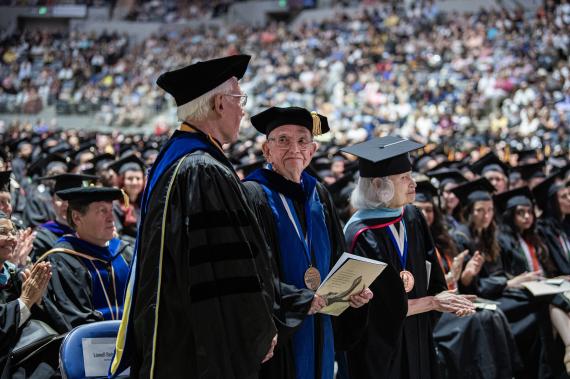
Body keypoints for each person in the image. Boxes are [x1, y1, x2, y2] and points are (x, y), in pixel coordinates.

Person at [109, 55, 277, 379]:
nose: (244, 109)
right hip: (198, 349)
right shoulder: (204, 170)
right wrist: (255, 330)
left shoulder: (179, 160)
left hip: (176, 334)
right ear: (218, 104)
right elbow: (225, 271)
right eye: (239, 99)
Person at [242, 106, 372, 379]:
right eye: (283, 140)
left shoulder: (319, 194)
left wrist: (352, 293)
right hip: (281, 332)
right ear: (267, 151)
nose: (294, 148)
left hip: (321, 323)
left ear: (312, 151)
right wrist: (299, 300)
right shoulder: (253, 195)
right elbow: (250, 272)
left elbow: (339, 257)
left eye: (302, 141)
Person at [341, 136, 475, 379]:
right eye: (404, 178)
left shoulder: (412, 216)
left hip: (418, 333)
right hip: (381, 348)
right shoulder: (360, 233)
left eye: (411, 175)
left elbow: (432, 273)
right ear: (380, 186)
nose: (413, 183)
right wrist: (432, 302)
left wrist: (443, 295)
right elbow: (380, 307)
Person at [452, 179, 552, 379]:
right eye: (480, 210)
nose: (487, 215)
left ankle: (539, 371)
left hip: (495, 292)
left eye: (490, 209)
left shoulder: (488, 235)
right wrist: (505, 282)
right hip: (479, 299)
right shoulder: (461, 238)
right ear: (469, 211)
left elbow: (496, 273)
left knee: (540, 306)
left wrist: (511, 281)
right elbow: (472, 285)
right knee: (535, 310)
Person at [37, 187, 131, 333]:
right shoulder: (63, 260)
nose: (111, 218)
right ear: (77, 218)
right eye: (102, 211)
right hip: (92, 347)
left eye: (111, 210)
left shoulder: (125, 253)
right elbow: (75, 319)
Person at [0, 211, 54, 378]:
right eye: (3, 232)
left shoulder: (14, 275)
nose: (12, 238)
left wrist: (36, 300)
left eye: (13, 232)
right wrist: (24, 302)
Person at [30, 174, 98, 261]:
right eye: (60, 199)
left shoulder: (92, 233)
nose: (66, 204)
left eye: (71, 199)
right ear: (52, 202)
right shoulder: (41, 238)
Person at [109, 154, 145, 245]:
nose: (135, 182)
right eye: (130, 178)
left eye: (138, 178)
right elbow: (118, 237)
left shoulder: (144, 203)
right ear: (122, 181)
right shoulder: (115, 205)